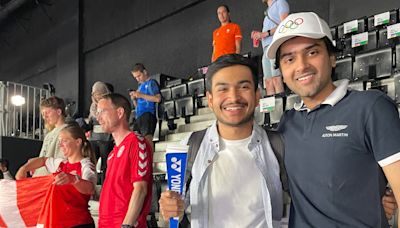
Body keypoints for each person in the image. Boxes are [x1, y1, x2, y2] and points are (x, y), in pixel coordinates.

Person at [266, 12, 400, 227]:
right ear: (282, 71)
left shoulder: (371, 107)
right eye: (289, 59)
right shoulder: (287, 123)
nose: (301, 66)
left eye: (312, 52)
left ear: (332, 57)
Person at [159, 54, 283, 228]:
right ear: (210, 100)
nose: (233, 97)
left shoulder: (278, 146)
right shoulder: (190, 146)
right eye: (223, 89)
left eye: (243, 87)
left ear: (257, 95)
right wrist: (171, 211)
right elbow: (171, 215)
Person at [15, 123, 97, 228]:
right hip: (59, 223)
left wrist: (74, 179)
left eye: (64, 141)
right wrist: (24, 169)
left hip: (79, 223)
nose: (60, 145)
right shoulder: (60, 163)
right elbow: (43, 160)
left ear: (78, 142)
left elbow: (90, 188)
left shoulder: (86, 165)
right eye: (59, 141)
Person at [97, 93, 153, 228]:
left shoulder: (136, 142)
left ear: (120, 112)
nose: (98, 118)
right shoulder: (112, 154)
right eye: (97, 113)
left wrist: (126, 225)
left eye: (102, 112)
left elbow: (140, 189)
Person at [251, 0, 289, 96]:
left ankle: (281, 101)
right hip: (266, 47)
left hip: (275, 44)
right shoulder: (268, 10)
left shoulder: (280, 2)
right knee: (268, 80)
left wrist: (265, 33)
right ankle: (272, 107)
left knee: (276, 77)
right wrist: (259, 36)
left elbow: (285, 25)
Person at [86, 81, 114, 184]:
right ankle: (90, 184)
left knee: (105, 164)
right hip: (94, 138)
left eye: (98, 93)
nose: (96, 96)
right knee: (91, 163)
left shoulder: (109, 103)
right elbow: (90, 121)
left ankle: (105, 185)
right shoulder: (92, 107)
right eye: (94, 94)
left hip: (106, 139)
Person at [129, 63, 161, 151]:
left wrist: (141, 95)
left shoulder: (152, 83)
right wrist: (134, 99)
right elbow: (137, 107)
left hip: (148, 114)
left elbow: (158, 99)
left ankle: (150, 158)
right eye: (135, 77)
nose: (137, 79)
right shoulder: (139, 87)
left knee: (147, 138)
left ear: (145, 72)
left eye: (139, 76)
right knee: (136, 141)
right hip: (139, 116)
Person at [34, 96, 67, 177]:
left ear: (59, 111)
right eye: (43, 114)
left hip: (52, 178)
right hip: (41, 177)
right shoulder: (49, 134)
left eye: (47, 113)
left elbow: (62, 159)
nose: (44, 117)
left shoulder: (67, 132)